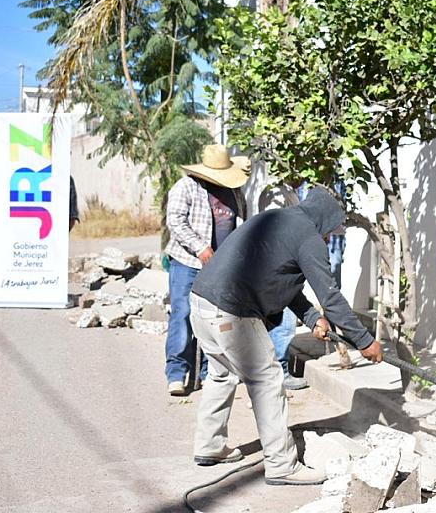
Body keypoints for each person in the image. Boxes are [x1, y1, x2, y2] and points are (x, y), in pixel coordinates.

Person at [189, 187, 383, 485]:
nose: (329, 238)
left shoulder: (278, 219)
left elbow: (279, 278)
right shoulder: (308, 237)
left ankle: (209, 446)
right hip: (232, 311)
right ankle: (282, 465)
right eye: (330, 231)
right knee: (267, 380)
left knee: (221, 374)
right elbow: (330, 296)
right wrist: (364, 341)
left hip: (202, 300)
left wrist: (312, 317)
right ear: (324, 219)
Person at [164, 144, 249, 396]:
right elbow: (176, 221)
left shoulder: (234, 192)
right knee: (183, 313)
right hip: (188, 263)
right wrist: (201, 248)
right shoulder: (186, 187)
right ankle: (177, 373)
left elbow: (240, 224)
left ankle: (208, 372)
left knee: (214, 319)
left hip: (222, 269)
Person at [257, 180, 307, 390]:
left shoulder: (287, 192)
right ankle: (279, 372)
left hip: (276, 264)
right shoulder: (277, 193)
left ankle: (271, 372)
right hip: (278, 265)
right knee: (284, 324)